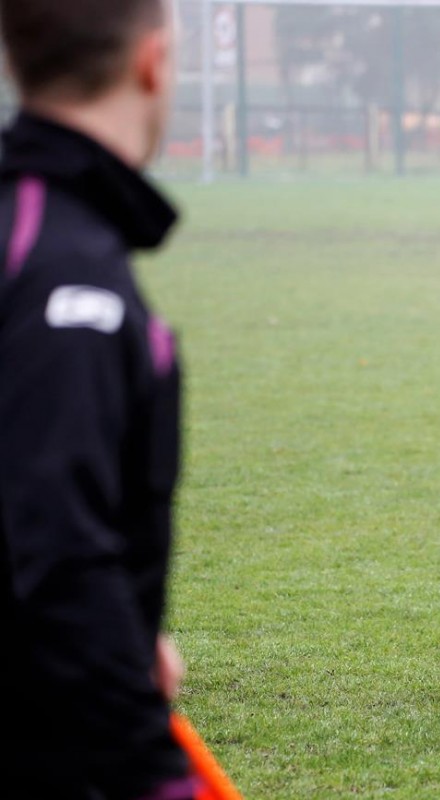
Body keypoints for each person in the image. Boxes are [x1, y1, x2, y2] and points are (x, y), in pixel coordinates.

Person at [0, 0, 194, 796]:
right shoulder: (62, 267)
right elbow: (60, 550)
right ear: (151, 61)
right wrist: (155, 774)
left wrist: (134, 633)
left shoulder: (48, 228)